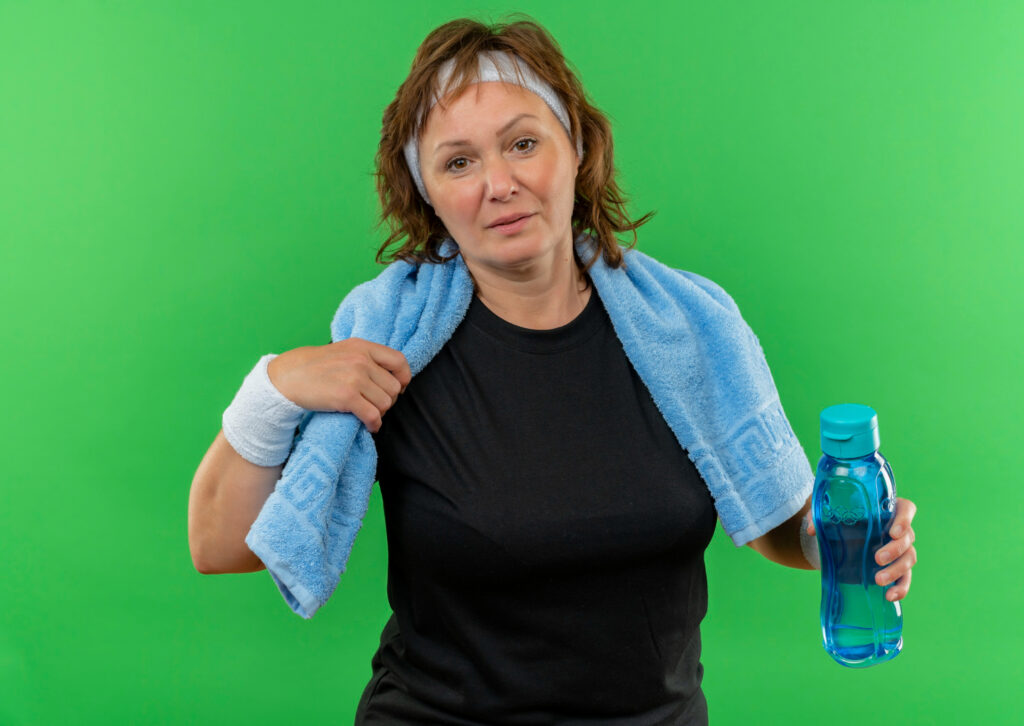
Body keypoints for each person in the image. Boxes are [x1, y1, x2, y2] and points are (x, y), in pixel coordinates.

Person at [188, 14, 919, 725]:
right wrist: (274, 388)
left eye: (523, 143)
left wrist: (845, 543)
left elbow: (776, 522)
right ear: (430, 195)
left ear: (576, 148)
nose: (498, 183)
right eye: (458, 162)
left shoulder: (691, 332)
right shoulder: (391, 348)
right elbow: (218, 545)